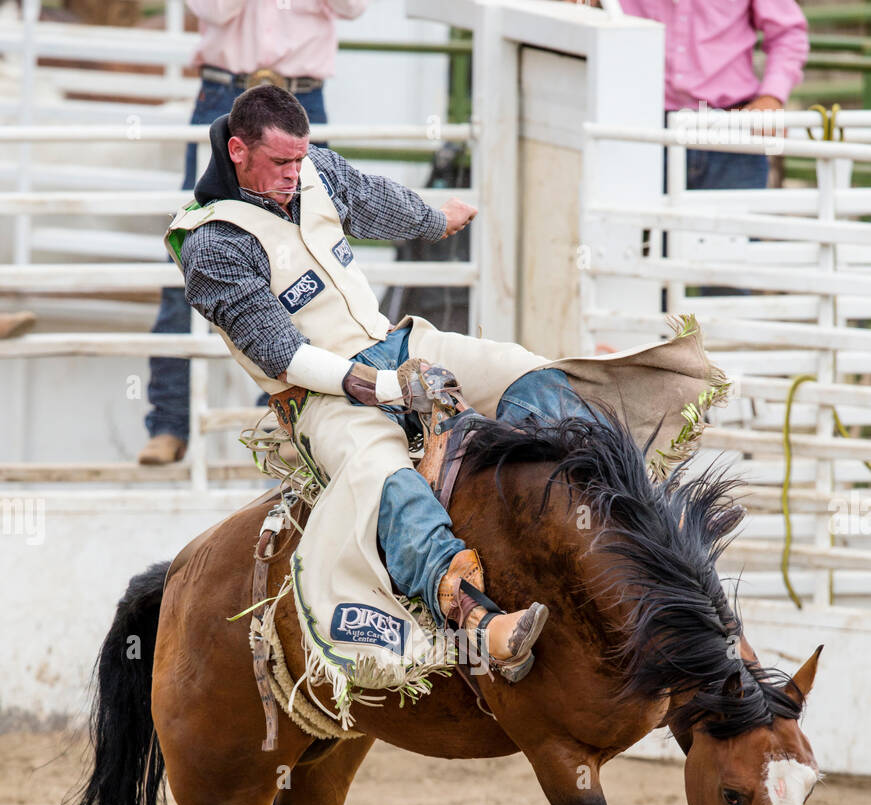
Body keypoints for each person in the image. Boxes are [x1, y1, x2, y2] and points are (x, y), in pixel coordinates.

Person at [165, 86, 559, 680]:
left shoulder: (312, 170)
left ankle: (568, 479)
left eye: (301, 160)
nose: (295, 175)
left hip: (398, 344)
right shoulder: (212, 245)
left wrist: (435, 218)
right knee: (385, 479)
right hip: (320, 399)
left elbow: (372, 199)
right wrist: (389, 388)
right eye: (281, 163)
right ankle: (478, 620)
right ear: (238, 150)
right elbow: (284, 354)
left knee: (523, 369)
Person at [140, 0, 370, 468]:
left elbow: (352, 7)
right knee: (198, 247)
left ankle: (284, 418)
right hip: (227, 95)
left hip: (297, 101)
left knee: (307, 259)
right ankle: (169, 420)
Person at [583, 1, 809, 194]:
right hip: (640, 128)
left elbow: (788, 33)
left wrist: (771, 97)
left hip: (730, 130)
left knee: (734, 239)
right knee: (633, 240)